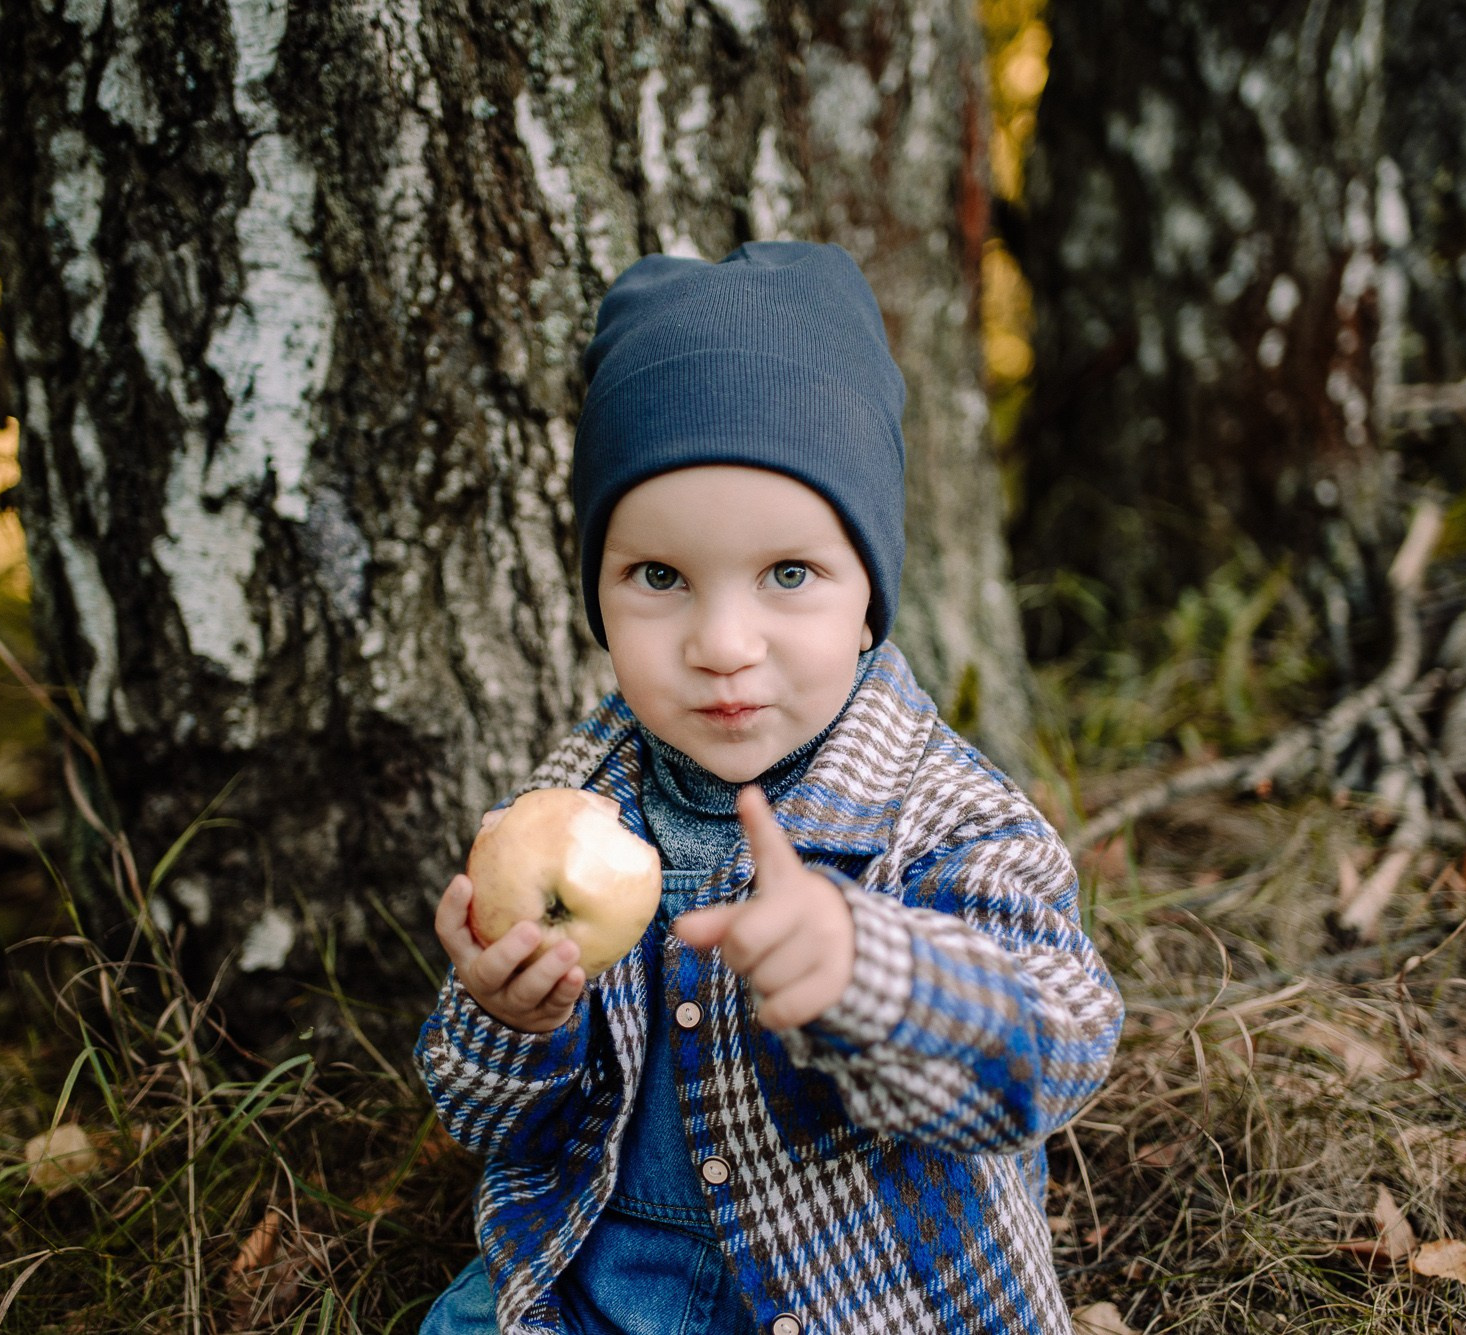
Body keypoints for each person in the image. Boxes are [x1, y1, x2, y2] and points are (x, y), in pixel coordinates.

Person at [415, 241, 1123, 1335]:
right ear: (600, 594)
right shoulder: (574, 803)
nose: (721, 643)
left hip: (877, 1294)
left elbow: (1059, 1051)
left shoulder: (943, 819)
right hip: (608, 1277)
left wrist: (868, 973)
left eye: (787, 575)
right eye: (660, 578)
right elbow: (478, 1115)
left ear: (868, 597)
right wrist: (515, 1018)